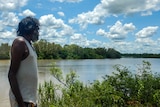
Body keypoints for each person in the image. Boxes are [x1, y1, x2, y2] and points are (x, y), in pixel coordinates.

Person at [8, 16, 40, 107]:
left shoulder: (29, 44)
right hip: (22, 101)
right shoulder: (20, 42)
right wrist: (21, 103)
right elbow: (11, 74)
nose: (38, 33)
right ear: (30, 29)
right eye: (36, 29)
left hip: (30, 100)